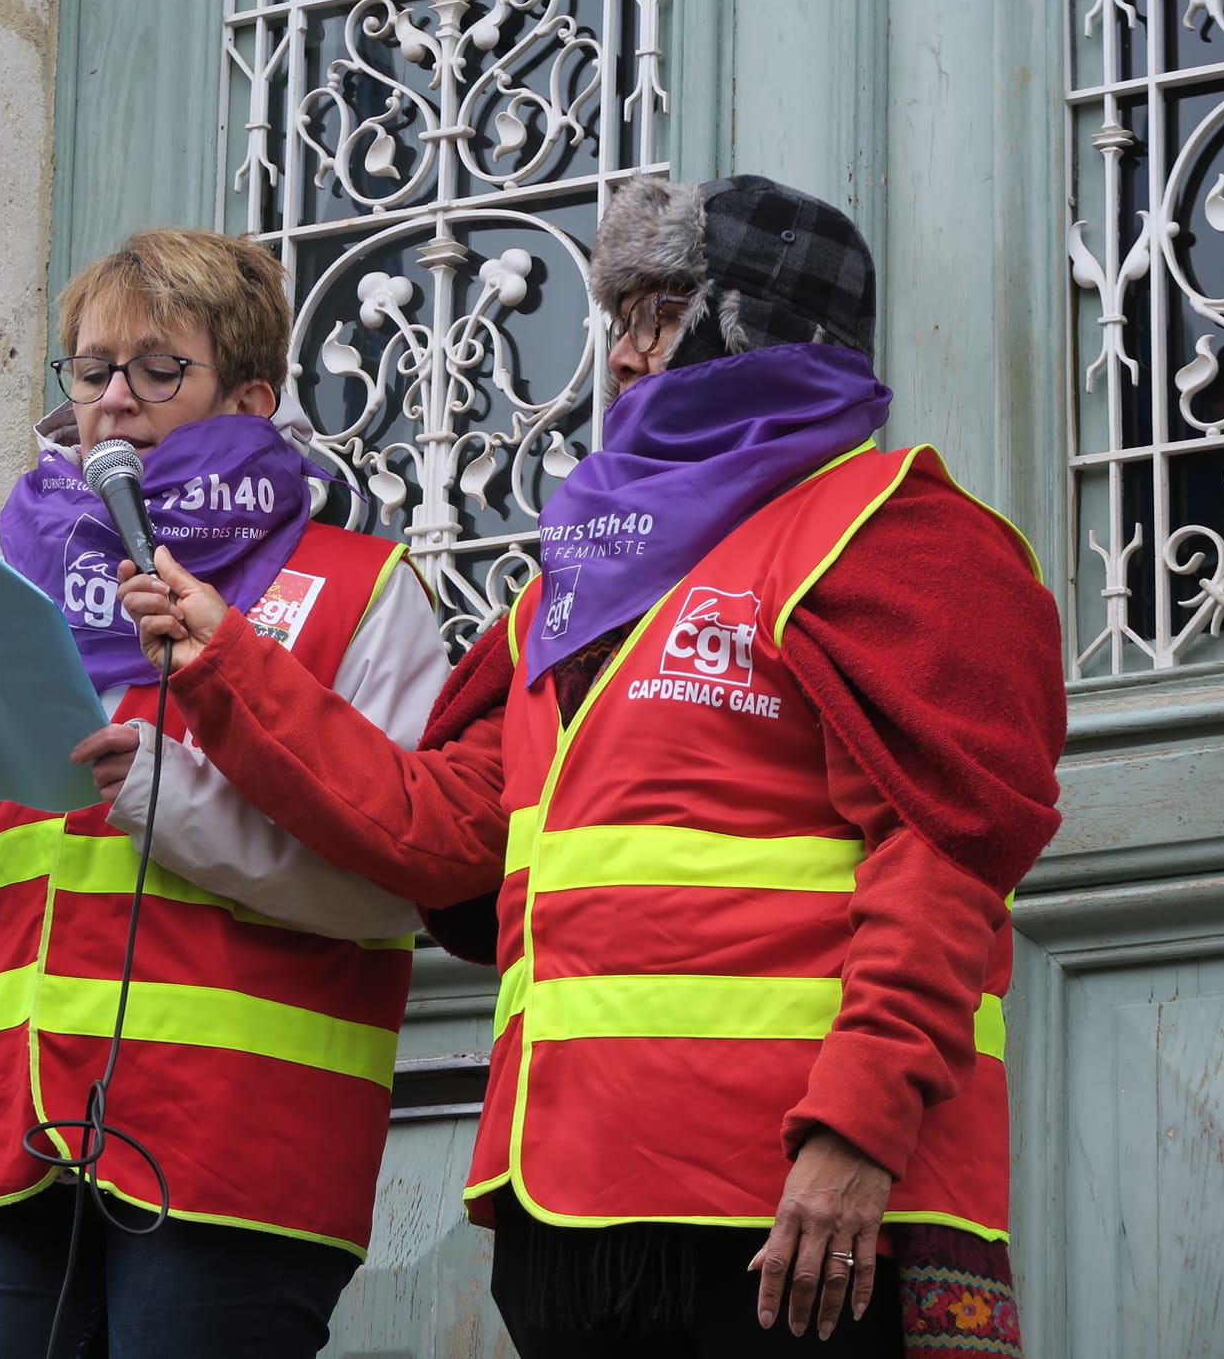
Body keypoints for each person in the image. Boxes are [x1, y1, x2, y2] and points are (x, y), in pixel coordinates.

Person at [116, 177, 1067, 1357]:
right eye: (614, 319)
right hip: (564, 1210)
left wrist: (856, 1131)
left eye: (656, 316)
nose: (619, 359)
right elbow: (432, 828)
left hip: (792, 1212)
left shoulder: (898, 533)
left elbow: (944, 860)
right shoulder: (569, 592)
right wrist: (228, 665)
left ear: (752, 323)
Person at [0, 228, 451, 1359]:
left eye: (157, 369)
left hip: (237, 1155)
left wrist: (164, 801)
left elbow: (402, 887)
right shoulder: (3, 566)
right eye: (91, 370)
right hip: (8, 1146)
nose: (114, 399)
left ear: (251, 396)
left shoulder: (360, 591)